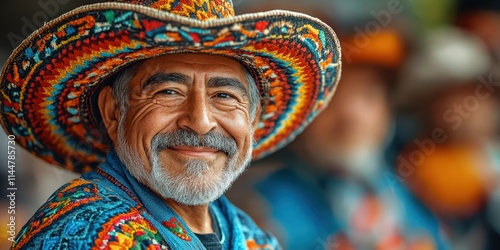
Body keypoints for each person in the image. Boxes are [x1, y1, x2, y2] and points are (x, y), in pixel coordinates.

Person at [0, 0, 342, 249]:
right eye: (169, 91)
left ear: (251, 119)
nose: (201, 122)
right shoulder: (82, 236)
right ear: (113, 111)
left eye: (224, 95)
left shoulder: (253, 239)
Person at [229, 30, 448, 249]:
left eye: (368, 94)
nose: (351, 114)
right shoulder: (262, 210)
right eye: (332, 96)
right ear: (299, 115)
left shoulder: (409, 190)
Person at [397, 27, 500, 249]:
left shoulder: (490, 156)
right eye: (456, 97)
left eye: (480, 95)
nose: (478, 108)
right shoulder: (411, 166)